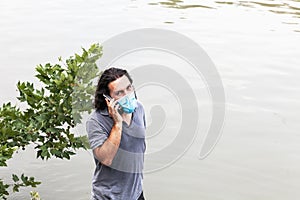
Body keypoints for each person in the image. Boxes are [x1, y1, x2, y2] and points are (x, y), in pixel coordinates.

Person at [86, 67, 146, 200]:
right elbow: (106, 159)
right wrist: (117, 124)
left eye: (129, 88)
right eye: (119, 93)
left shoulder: (139, 109)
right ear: (107, 98)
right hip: (109, 197)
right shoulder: (96, 121)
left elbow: (139, 147)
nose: (127, 95)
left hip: (136, 194)